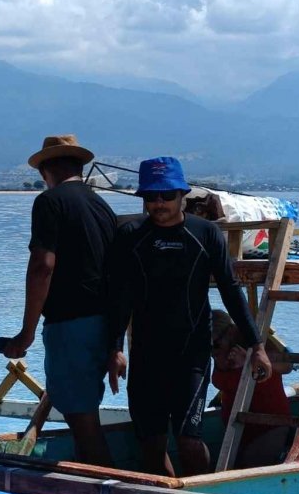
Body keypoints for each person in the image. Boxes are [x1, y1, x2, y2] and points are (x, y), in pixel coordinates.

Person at [105, 156, 271, 477]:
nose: (159, 203)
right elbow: (119, 299)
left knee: (188, 441)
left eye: (166, 195)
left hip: (190, 355)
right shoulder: (130, 236)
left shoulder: (206, 234)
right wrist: (115, 349)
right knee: (150, 444)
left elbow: (231, 291)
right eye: (151, 196)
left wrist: (256, 346)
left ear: (182, 195)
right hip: (146, 355)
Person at [0, 134, 118, 466]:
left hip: (71, 325)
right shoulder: (101, 207)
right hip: (101, 324)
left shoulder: (50, 202)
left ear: (46, 170)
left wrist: (26, 332)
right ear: (79, 166)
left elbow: (42, 267)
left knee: (83, 424)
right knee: (84, 414)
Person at [210, 311, 291, 468]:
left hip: (269, 425)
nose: (212, 350)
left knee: (247, 467)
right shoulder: (220, 354)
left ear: (230, 332)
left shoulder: (256, 342)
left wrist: (249, 363)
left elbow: (286, 366)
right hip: (237, 428)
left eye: (215, 345)